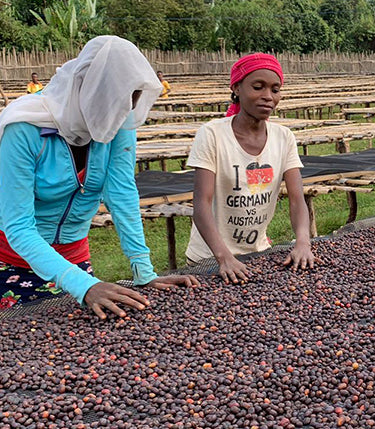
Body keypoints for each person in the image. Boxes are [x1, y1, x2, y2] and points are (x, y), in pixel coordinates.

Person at [0, 36, 199, 317]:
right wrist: (84, 285)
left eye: (131, 104)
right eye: (117, 103)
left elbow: (121, 192)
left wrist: (144, 271)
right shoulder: (23, 129)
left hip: (75, 258)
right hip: (11, 262)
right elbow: (18, 226)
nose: (122, 115)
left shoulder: (118, 120)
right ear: (89, 90)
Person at [185, 53, 315, 285]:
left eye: (275, 90)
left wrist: (303, 243)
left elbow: (297, 200)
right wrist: (223, 258)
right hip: (210, 258)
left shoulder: (284, 138)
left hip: (257, 253)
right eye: (258, 87)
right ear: (236, 88)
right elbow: (201, 204)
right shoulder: (213, 134)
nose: (267, 96)